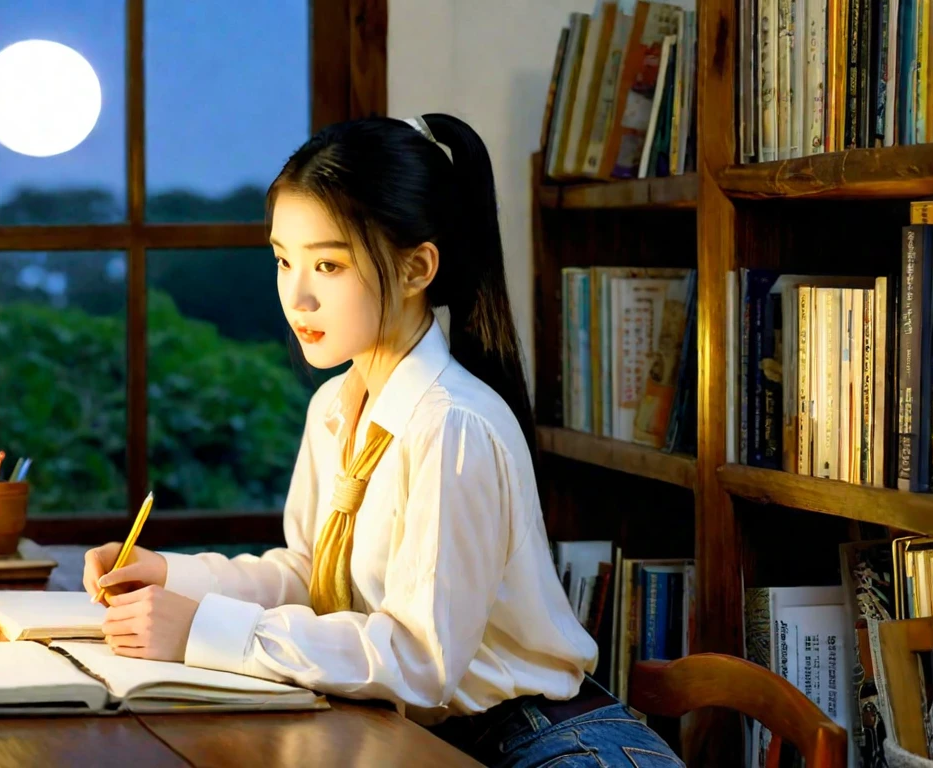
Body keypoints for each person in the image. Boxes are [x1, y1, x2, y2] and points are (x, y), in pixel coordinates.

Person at [83, 113, 685, 768]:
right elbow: (315, 575)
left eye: (329, 264)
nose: (298, 295)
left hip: (549, 745)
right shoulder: (335, 408)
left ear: (416, 268)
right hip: (424, 738)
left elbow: (418, 660)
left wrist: (205, 631)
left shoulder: (452, 427)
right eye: (285, 260)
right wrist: (171, 576)